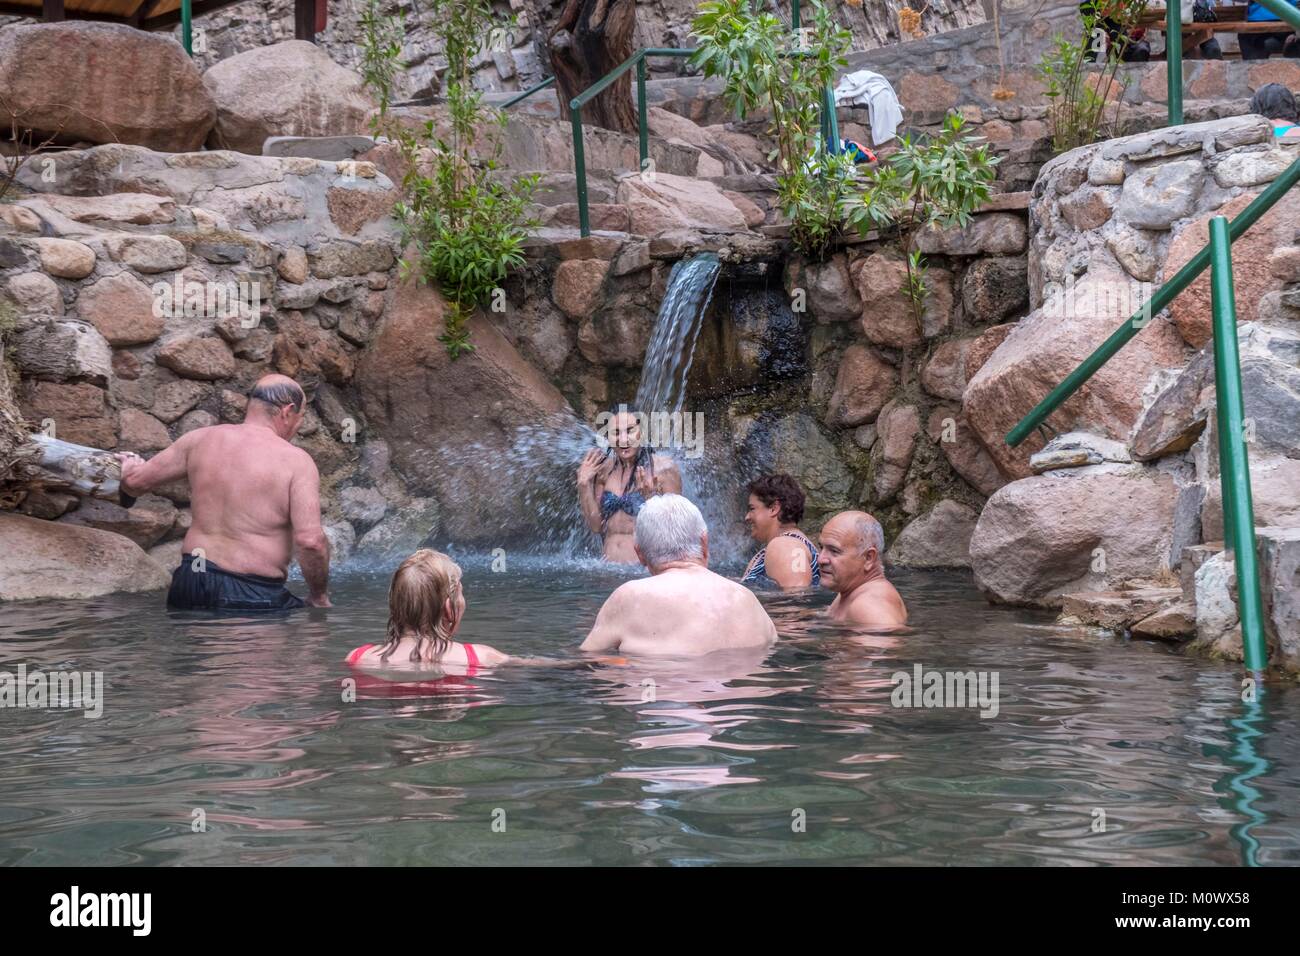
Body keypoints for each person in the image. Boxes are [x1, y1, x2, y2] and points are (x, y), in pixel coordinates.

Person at [117, 374, 331, 611]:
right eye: (300, 419)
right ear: (287, 411)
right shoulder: (296, 461)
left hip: (189, 582)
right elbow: (311, 541)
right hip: (250, 591)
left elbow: (135, 484)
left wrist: (129, 468)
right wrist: (318, 595)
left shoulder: (198, 439)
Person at [581, 494, 777, 656]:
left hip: (659, 698)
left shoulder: (630, 597)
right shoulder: (747, 600)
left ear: (639, 553)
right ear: (704, 542)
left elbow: (587, 661)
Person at [346, 549, 508, 673]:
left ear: (394, 605)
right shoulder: (480, 658)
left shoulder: (358, 658)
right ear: (449, 608)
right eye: (461, 593)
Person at [577, 405, 682, 563]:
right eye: (616, 433)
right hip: (606, 570)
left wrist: (650, 500)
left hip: (643, 571)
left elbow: (677, 531)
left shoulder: (663, 469)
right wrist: (584, 484)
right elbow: (596, 526)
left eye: (630, 430)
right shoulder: (605, 470)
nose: (623, 439)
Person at [817, 511, 908, 628]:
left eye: (834, 551)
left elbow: (884, 642)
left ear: (868, 558)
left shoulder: (868, 606)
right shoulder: (851, 591)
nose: (820, 559)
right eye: (821, 547)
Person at [740, 474, 821, 590]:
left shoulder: (786, 546)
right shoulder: (789, 544)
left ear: (774, 508)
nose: (747, 517)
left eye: (752, 508)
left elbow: (796, 600)